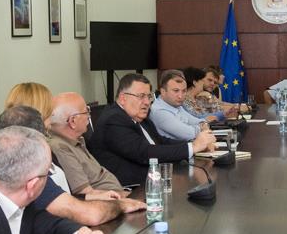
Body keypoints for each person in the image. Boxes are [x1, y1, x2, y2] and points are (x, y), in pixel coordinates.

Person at [0, 105, 134, 224]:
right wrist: (119, 205)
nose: (49, 132)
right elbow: (88, 214)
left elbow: (66, 198)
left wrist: (92, 198)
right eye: (46, 130)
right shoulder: (33, 176)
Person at [88, 74, 216, 187]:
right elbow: (145, 152)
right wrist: (193, 147)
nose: (147, 102)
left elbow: (161, 141)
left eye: (149, 96)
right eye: (141, 96)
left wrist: (194, 147)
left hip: (154, 179)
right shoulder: (113, 120)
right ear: (122, 98)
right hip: (131, 189)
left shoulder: (139, 116)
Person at [45, 93, 133, 198]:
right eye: (86, 111)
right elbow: (86, 194)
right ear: (73, 121)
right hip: (111, 202)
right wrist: (125, 197)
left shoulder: (76, 140)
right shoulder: (61, 148)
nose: (89, 116)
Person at [151, 70, 214, 141]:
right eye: (176, 91)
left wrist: (203, 124)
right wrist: (202, 127)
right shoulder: (159, 112)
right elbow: (189, 134)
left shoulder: (175, 105)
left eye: (184, 91)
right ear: (163, 91)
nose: (180, 96)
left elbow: (196, 121)